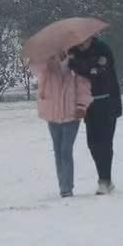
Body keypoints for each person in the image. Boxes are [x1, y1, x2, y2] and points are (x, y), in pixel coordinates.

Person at [35, 51, 92, 197]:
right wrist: (45, 59)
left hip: (72, 115)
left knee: (66, 150)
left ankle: (66, 187)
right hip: (52, 115)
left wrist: (81, 106)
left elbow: (84, 87)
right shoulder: (47, 67)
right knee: (58, 151)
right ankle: (63, 185)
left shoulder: (76, 66)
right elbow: (38, 72)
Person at [72, 36, 122, 194]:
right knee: (92, 143)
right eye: (78, 43)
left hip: (107, 102)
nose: (81, 45)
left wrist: (83, 67)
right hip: (89, 105)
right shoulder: (73, 53)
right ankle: (104, 177)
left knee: (105, 143)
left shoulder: (102, 49)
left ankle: (105, 180)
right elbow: (80, 70)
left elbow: (98, 72)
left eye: (84, 41)